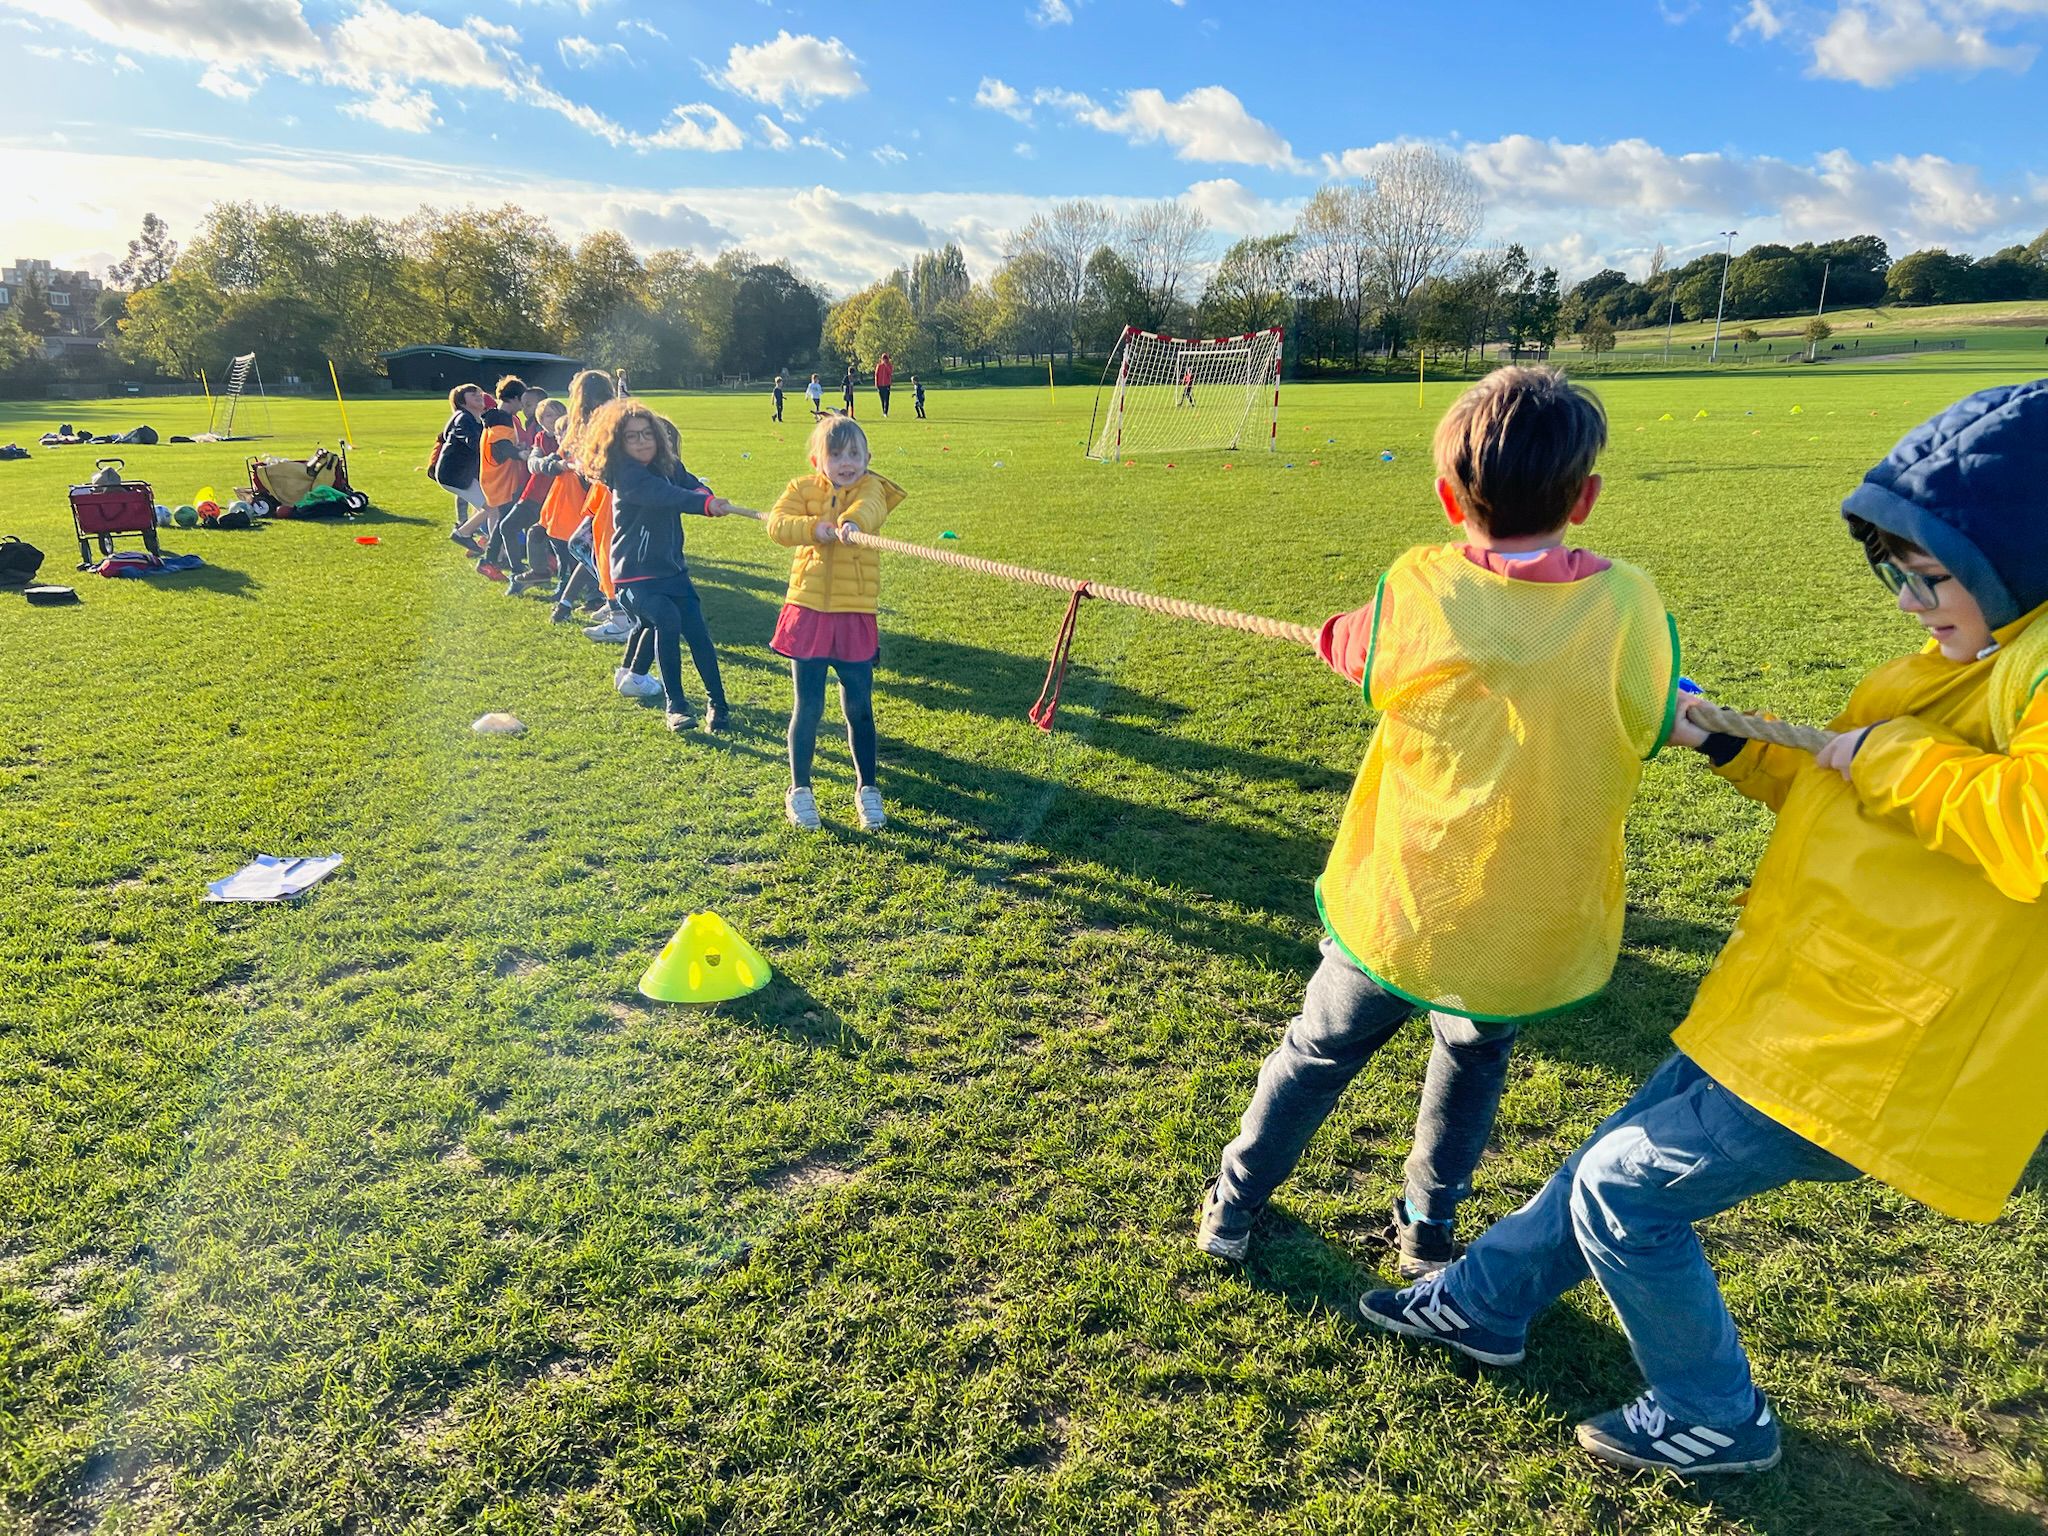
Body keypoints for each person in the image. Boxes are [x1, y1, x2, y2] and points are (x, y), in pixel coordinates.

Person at [1359, 379, 2048, 1479]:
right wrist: (1733, 745)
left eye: (1925, 577)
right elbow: (1860, 804)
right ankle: (1479, 1303)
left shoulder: (2034, 668)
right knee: (1605, 1156)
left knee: (1623, 1190)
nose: (1907, 601)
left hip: (1886, 1047)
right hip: (1805, 997)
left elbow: (2019, 824)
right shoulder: (1966, 659)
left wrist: (1894, 758)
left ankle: (1712, 1411)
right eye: (1894, 575)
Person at [1196, 366, 1678, 1283]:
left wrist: (1339, 632)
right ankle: (1426, 1228)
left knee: (1317, 1050)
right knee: (1471, 1058)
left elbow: (1366, 652)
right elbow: (1654, 715)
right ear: (1587, 497)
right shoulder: (1628, 607)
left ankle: (1235, 1202)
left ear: (1447, 496)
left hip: (1404, 901)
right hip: (1514, 920)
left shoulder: (1424, 585)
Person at [764, 413, 903, 831]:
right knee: (808, 706)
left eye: (854, 454)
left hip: (853, 613)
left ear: (867, 457)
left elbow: (871, 508)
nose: (846, 462)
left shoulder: (872, 487)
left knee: (858, 705)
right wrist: (815, 528)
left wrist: (850, 524)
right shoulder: (801, 489)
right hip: (807, 612)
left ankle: (868, 789)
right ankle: (800, 789)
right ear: (816, 460)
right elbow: (777, 525)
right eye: (836, 454)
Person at [589, 398, 733, 733]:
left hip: (672, 572)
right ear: (619, 443)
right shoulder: (628, 477)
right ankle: (676, 707)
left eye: (646, 434)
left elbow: (690, 485)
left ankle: (719, 704)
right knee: (666, 619)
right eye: (632, 436)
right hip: (634, 579)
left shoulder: (668, 467)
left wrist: (706, 494)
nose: (641, 441)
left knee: (698, 633)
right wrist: (705, 505)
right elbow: (670, 496)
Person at [532, 368, 615, 625]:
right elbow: (561, 457)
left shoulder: (605, 418)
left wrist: (580, 465)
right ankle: (599, 600)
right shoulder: (584, 423)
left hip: (609, 494)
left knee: (594, 547)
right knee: (584, 546)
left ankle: (613, 605)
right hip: (597, 496)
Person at [434, 383, 489, 541]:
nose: (479, 395)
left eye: (479, 393)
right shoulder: (463, 418)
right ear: (462, 402)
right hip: (453, 475)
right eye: (473, 394)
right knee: (491, 508)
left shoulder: (475, 420)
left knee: (490, 507)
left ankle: (472, 533)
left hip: (461, 475)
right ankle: (463, 533)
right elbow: (474, 442)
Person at [874, 352, 893, 417]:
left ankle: (885, 412)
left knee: (886, 399)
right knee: (882, 399)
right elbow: (876, 375)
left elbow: (890, 373)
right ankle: (883, 411)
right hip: (880, 385)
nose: (885, 360)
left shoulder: (889, 365)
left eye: (886, 358)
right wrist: (876, 383)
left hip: (887, 385)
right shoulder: (879, 365)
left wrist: (886, 366)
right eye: (883, 358)